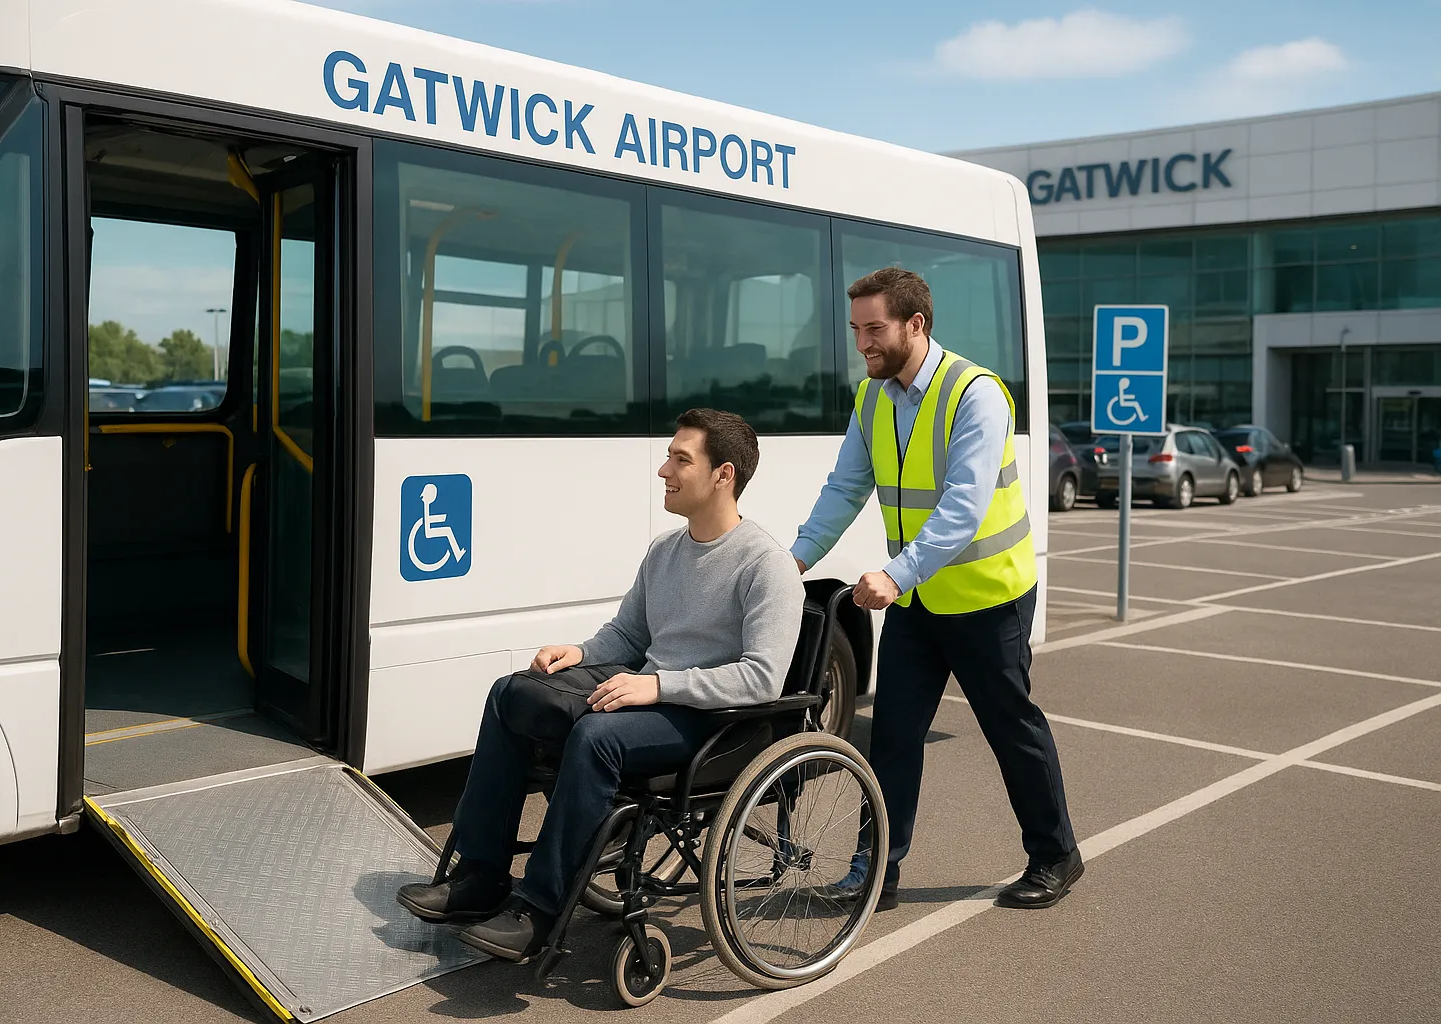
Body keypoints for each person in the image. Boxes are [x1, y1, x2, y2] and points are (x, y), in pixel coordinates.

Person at [399, 408, 805, 961]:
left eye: (680, 459)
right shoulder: (666, 550)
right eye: (669, 456)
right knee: (509, 695)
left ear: (723, 475)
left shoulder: (767, 566)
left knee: (596, 737)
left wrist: (660, 686)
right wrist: (581, 653)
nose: (664, 469)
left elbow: (762, 677)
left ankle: (540, 912)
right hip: (653, 696)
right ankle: (480, 877)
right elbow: (628, 633)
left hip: (717, 722)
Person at [793, 267, 1083, 912]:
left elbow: (965, 506)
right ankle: (878, 871)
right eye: (856, 330)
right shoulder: (872, 398)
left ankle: (1056, 855)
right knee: (893, 735)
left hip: (988, 595)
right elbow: (846, 488)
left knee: (1010, 727)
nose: (863, 342)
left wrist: (895, 574)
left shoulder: (975, 393)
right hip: (921, 601)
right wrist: (793, 562)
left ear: (915, 324)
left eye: (875, 329)